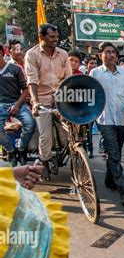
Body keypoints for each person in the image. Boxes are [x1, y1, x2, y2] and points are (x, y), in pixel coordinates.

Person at [90, 42, 124, 206]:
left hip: (122, 119)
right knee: (115, 154)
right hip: (105, 120)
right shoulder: (94, 73)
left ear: (116, 56)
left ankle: (109, 180)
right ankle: (123, 190)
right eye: (106, 52)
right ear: (100, 55)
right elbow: (90, 94)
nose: (109, 55)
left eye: (112, 52)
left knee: (115, 153)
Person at [25, 23, 72, 180]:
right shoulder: (32, 55)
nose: (55, 40)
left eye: (56, 37)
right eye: (52, 37)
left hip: (62, 97)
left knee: (76, 128)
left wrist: (61, 97)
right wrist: (35, 102)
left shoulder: (63, 54)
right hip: (42, 99)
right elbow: (32, 81)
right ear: (42, 37)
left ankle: (77, 154)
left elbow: (68, 79)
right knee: (45, 136)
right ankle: (44, 162)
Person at [0, 44, 35, 166]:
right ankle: (11, 151)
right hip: (1, 105)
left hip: (18, 103)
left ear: (2, 53)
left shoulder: (15, 69)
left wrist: (17, 105)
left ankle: (21, 149)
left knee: (30, 124)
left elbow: (26, 90)